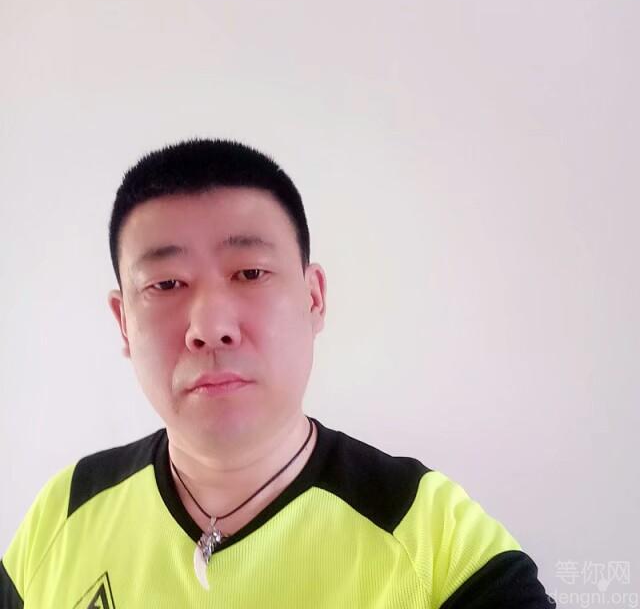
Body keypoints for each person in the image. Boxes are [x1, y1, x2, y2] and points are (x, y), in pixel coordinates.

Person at [0, 139, 556, 608]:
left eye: (250, 273)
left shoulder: (429, 535)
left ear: (314, 298)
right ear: (123, 322)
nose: (209, 327)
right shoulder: (65, 511)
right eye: (166, 284)